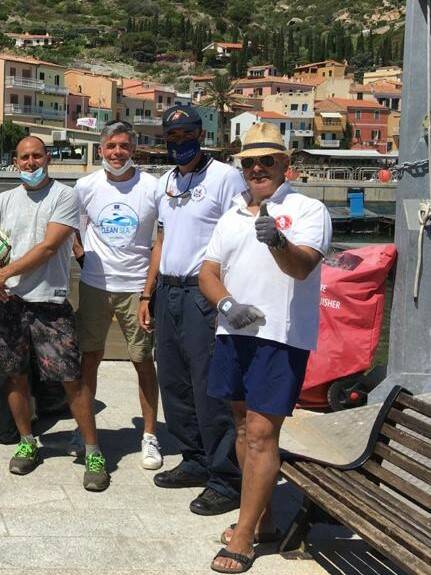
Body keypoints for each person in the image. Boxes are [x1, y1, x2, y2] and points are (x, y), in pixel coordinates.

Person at [201, 123, 330, 573]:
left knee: (260, 433)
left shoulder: (308, 209)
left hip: (280, 336)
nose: (257, 168)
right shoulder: (231, 214)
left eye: (267, 161)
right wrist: (227, 305)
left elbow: (302, 267)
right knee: (241, 428)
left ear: (284, 164)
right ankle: (265, 518)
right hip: (234, 331)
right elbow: (208, 271)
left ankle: (243, 533)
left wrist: (277, 240)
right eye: (249, 162)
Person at [0, 136, 96, 487]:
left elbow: (50, 246)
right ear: (15, 161)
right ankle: (27, 443)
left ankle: (93, 451)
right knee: (14, 375)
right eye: (24, 157)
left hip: (49, 304)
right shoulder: (5, 199)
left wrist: (2, 274)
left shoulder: (64, 197)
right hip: (8, 303)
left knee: (72, 379)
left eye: (37, 156)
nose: (31, 162)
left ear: (48, 158)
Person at [142, 105, 247, 515]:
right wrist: (147, 292)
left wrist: (225, 299)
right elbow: (161, 241)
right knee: (174, 381)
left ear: (200, 135)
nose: (180, 143)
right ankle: (194, 459)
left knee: (210, 387)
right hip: (168, 290)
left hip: (202, 294)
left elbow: (238, 238)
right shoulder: (166, 183)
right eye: (173, 138)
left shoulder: (225, 177)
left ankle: (226, 478)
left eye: (187, 135)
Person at [70, 121, 164, 490]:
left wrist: (148, 290)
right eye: (110, 146)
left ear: (133, 149)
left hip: (137, 288)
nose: (117, 153)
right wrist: (83, 258)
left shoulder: (153, 188)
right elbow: (73, 228)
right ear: (101, 148)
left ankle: (150, 435)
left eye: (124, 146)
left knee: (142, 361)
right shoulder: (86, 186)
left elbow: (161, 238)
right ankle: (84, 429)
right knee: (88, 359)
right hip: (95, 284)